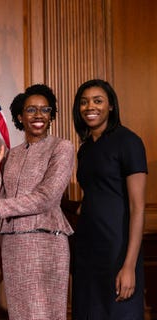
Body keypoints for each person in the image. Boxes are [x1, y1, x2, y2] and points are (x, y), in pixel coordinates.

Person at [0, 84, 75, 319]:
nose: (38, 115)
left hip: (45, 240)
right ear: (19, 116)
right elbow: (2, 200)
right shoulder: (13, 153)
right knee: (19, 313)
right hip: (13, 244)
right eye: (31, 110)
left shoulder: (62, 148)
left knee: (43, 313)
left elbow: (46, 198)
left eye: (45, 110)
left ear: (51, 115)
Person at [71, 79, 147, 319]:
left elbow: (138, 207)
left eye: (97, 100)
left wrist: (129, 266)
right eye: (84, 102)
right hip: (86, 249)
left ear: (111, 105)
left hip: (117, 248)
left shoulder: (129, 142)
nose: (89, 107)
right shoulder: (85, 149)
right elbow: (94, 193)